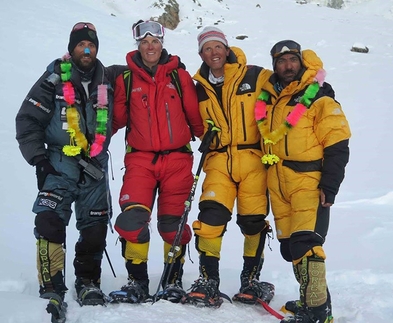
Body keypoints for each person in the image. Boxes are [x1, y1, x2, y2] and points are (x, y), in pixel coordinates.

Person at [15, 22, 125, 319]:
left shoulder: (109, 79)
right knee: (49, 220)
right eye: (81, 45)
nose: (87, 50)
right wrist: (39, 160)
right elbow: (27, 120)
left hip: (95, 166)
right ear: (72, 47)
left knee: (95, 226)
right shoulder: (54, 77)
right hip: (59, 163)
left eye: (91, 45)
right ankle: (52, 286)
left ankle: (88, 282)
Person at [254, 40, 351, 323]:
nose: (288, 66)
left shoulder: (319, 96)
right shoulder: (270, 99)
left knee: (308, 244)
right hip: (279, 182)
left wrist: (329, 186)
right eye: (282, 61)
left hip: (309, 180)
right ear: (275, 66)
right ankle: (314, 301)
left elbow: (338, 144)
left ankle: (317, 313)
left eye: (292, 60)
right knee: (292, 247)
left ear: (301, 62)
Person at [109, 20, 204, 304]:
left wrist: (210, 138)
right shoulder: (126, 79)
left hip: (177, 159)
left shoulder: (179, 76)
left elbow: (194, 116)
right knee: (131, 220)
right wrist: (94, 142)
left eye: (155, 41)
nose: (150, 46)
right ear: (137, 45)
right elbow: (117, 119)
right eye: (144, 42)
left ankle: (172, 280)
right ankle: (137, 282)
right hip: (140, 159)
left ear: (162, 44)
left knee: (173, 225)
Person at [181, 26, 274, 308]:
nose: (213, 53)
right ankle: (208, 279)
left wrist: (317, 87)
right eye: (207, 49)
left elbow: (285, 86)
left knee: (253, 222)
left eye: (217, 47)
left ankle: (251, 280)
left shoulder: (255, 75)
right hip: (219, 159)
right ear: (201, 54)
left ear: (226, 48)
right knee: (210, 218)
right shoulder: (199, 88)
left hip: (252, 159)